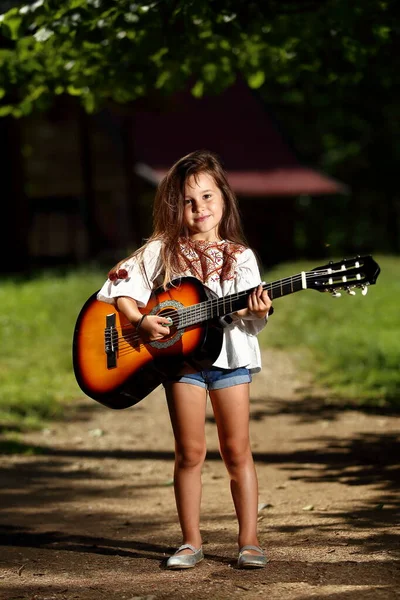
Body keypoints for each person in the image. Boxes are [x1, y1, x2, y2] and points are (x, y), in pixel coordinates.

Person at [97, 150, 272, 569]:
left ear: (224, 200)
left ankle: (248, 541)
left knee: (237, 451)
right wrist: (140, 321)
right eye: (190, 202)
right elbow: (118, 289)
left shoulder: (241, 256)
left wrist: (258, 311)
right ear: (177, 208)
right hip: (181, 364)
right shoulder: (161, 250)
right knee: (189, 452)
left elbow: (251, 312)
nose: (200, 209)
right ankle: (191, 541)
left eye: (208, 198)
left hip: (231, 360)